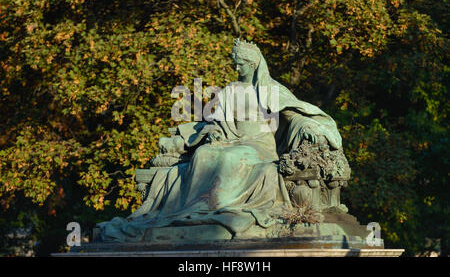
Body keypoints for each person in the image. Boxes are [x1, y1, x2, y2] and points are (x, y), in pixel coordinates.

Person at [97, 39, 342, 242]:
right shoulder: (229, 91)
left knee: (228, 159)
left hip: (258, 146)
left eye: (241, 64)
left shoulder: (270, 90)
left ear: (253, 63)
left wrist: (310, 127)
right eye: (235, 64)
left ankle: (218, 206)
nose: (237, 69)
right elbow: (214, 121)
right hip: (231, 142)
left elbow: (297, 115)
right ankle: (198, 209)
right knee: (205, 154)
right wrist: (214, 132)